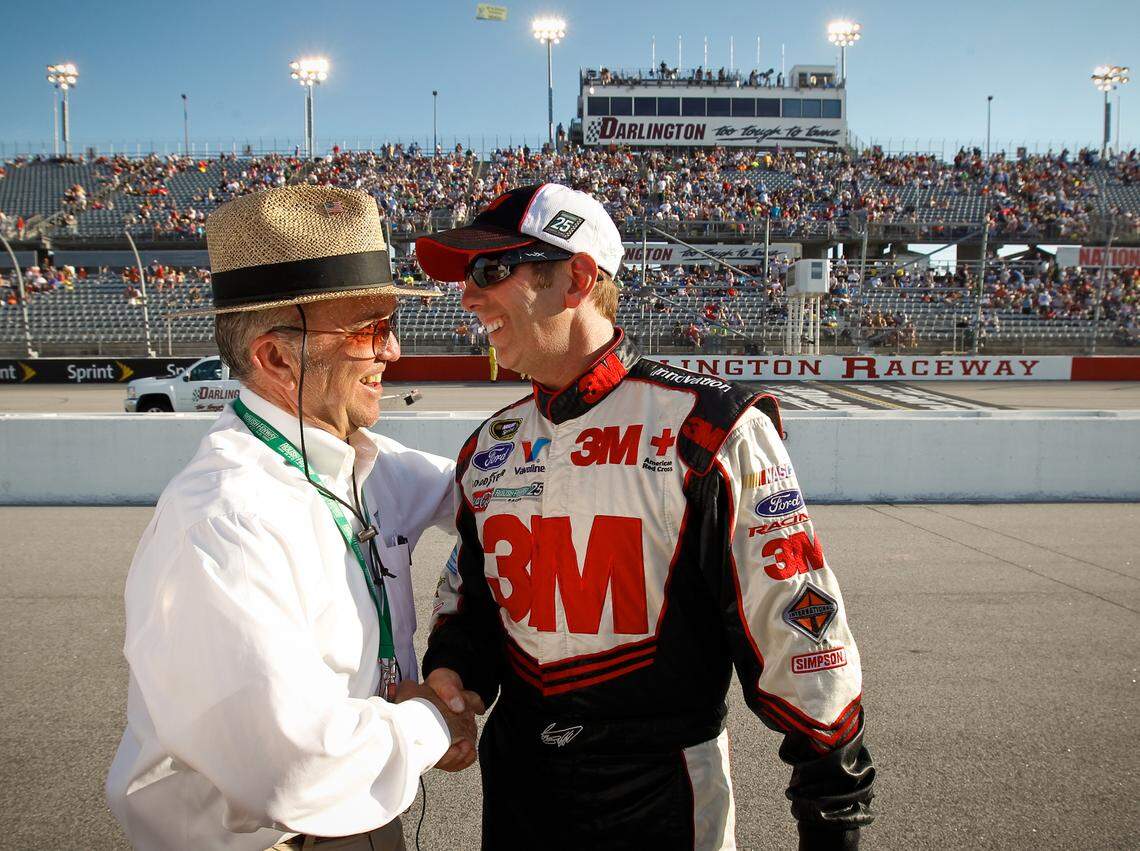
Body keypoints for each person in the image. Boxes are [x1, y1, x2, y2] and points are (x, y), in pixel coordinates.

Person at [414, 183, 876, 849]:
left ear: (575, 278)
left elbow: (801, 636)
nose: (468, 295)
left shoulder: (709, 427)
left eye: (490, 270)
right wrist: (452, 673)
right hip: (518, 791)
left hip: (659, 795)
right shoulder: (490, 446)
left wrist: (834, 813)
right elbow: (473, 604)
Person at [106, 185, 484, 851]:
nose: (392, 353)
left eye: (390, 324)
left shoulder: (361, 458)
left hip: (358, 820)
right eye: (369, 330)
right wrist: (431, 718)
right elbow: (294, 769)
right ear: (276, 357)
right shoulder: (224, 520)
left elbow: (491, 497)